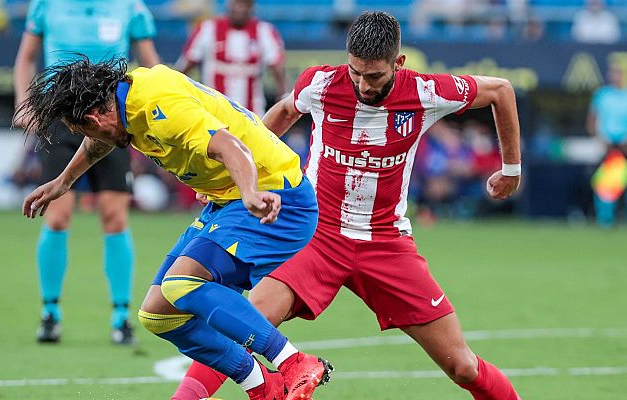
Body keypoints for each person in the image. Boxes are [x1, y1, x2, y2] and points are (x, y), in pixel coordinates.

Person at [173, 11, 523, 400]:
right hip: (315, 235)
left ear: (399, 63)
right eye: (355, 72)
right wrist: (238, 177)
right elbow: (281, 113)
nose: (362, 84)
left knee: (463, 366)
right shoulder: (321, 84)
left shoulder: (426, 92)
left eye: (374, 76)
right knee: (244, 324)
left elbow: (501, 90)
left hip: (386, 244)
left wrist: (511, 168)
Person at [16, 57, 332, 400]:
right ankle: (263, 387)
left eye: (84, 129)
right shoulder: (124, 103)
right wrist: (64, 182)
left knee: (183, 283)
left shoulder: (160, 108)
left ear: (94, 117)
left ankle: (294, 362)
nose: (90, 137)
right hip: (227, 202)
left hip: (278, 200)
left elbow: (231, 147)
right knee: (157, 312)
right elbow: (99, 140)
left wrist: (251, 194)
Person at [13, 0, 161, 345]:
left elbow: (152, 65)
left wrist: (158, 106)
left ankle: (121, 317)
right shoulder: (45, 5)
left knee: (115, 217)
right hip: (61, 121)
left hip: (112, 119)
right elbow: (25, 57)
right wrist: (25, 105)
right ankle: (51, 313)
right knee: (57, 217)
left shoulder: (130, 7)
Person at [175, 0, 286, 115]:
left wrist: (283, 99)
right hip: (213, 111)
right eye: (237, 4)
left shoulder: (264, 31)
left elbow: (277, 68)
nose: (240, 9)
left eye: (245, 5)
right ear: (228, 4)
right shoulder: (207, 28)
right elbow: (186, 65)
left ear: (252, 7)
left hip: (252, 112)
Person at [587, 64, 627, 228]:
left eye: (620, 74)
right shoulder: (602, 95)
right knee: (607, 183)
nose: (616, 77)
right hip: (609, 146)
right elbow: (592, 120)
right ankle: (605, 219)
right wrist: (601, 140)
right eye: (614, 74)